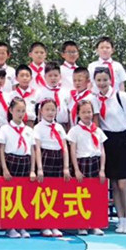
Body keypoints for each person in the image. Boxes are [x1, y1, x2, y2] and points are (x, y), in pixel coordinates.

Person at [93, 66, 126, 234]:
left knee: (123, 184)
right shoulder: (95, 99)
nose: (102, 83)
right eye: (98, 80)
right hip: (108, 141)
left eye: (105, 80)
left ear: (111, 80)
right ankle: (120, 220)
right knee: (114, 184)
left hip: (124, 140)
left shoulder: (121, 96)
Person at [0, 96, 35, 239]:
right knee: (10, 195)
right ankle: (10, 226)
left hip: (25, 162)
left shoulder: (28, 130)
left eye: (23, 111)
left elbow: (32, 151)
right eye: (18, 110)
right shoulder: (5, 129)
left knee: (23, 196)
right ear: (11, 111)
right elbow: (1, 149)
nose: (20, 114)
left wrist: (32, 169)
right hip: (11, 161)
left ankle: (21, 225)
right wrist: (4, 168)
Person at [68, 99, 106, 236]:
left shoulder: (98, 131)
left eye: (89, 112)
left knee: (95, 195)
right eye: (83, 112)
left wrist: (102, 169)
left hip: (95, 162)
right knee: (80, 196)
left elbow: (102, 151)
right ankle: (81, 224)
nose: (87, 115)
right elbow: (73, 151)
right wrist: (76, 170)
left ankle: (95, 224)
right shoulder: (74, 131)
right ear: (78, 114)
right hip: (82, 163)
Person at [34, 99, 70, 237]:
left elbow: (65, 147)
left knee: (56, 192)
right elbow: (37, 148)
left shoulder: (59, 127)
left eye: (53, 110)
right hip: (45, 157)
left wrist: (66, 167)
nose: (50, 112)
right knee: (44, 193)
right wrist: (39, 168)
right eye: (47, 110)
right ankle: (44, 225)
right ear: (41, 111)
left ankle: (55, 223)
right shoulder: (38, 128)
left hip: (58, 159)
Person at [35, 62, 70, 126]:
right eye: (50, 75)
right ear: (45, 77)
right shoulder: (40, 92)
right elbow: (37, 110)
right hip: (45, 125)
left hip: (63, 124)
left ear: (60, 76)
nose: (53, 78)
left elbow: (69, 110)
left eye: (56, 75)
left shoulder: (65, 92)